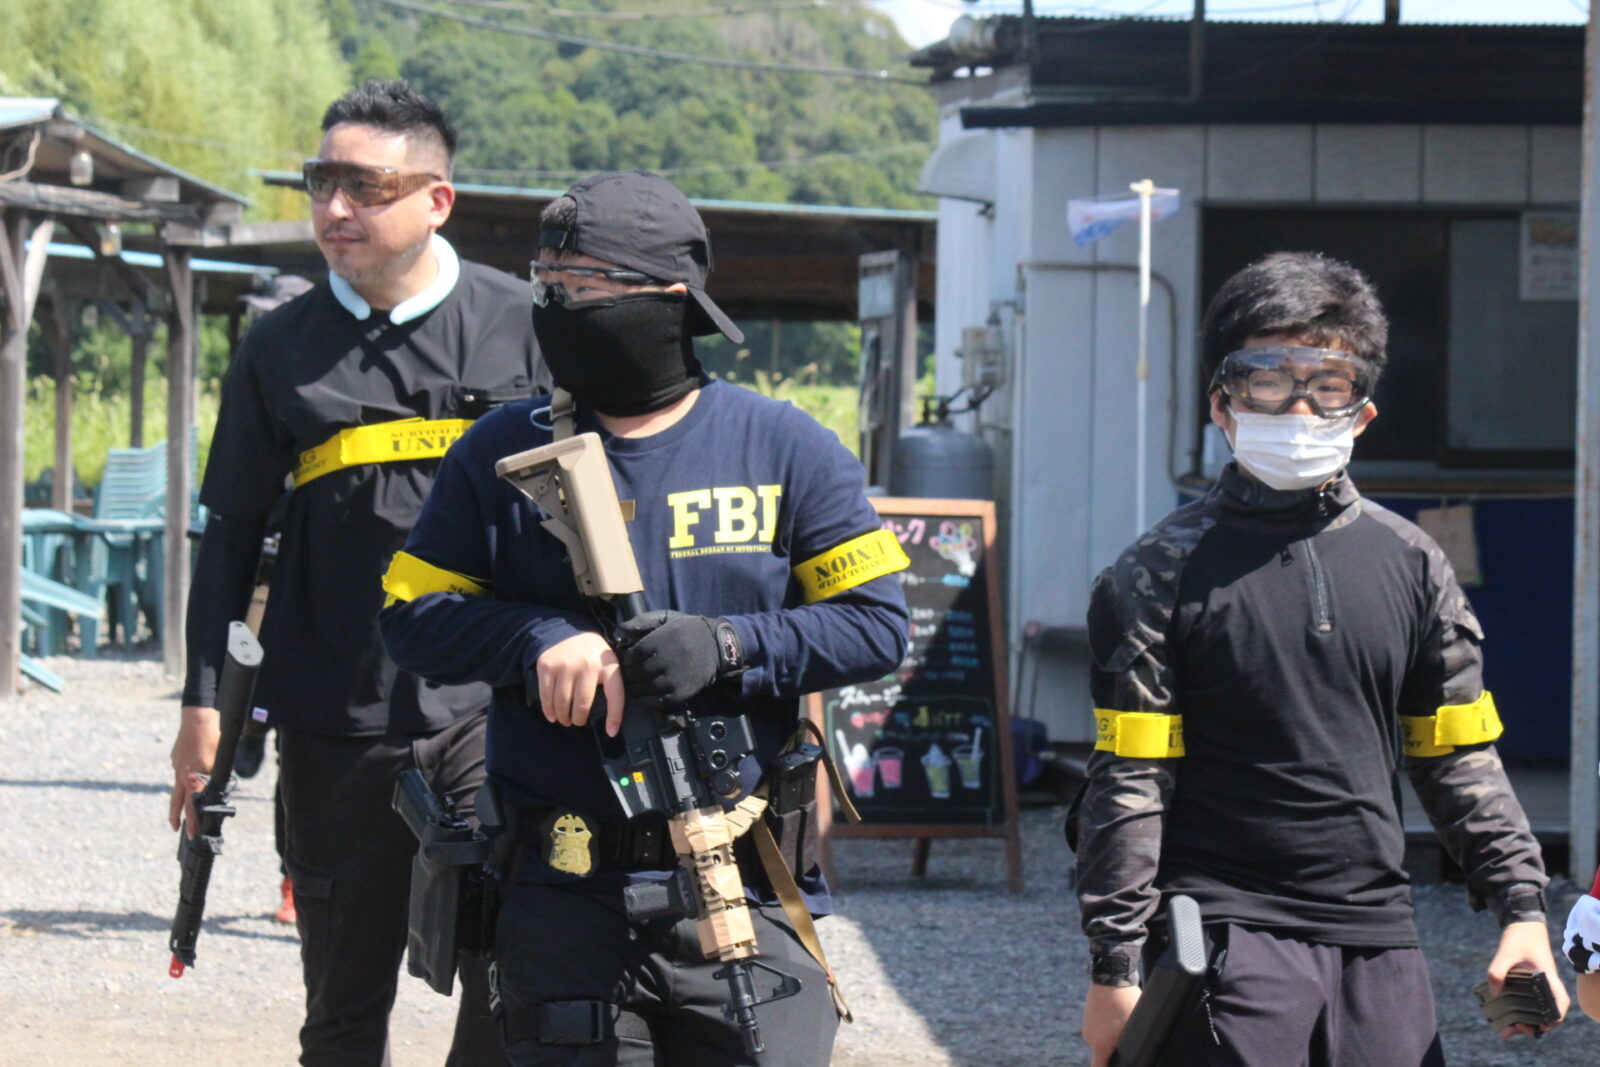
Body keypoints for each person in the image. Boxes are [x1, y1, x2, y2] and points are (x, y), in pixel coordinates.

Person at [377, 170, 910, 1065]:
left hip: (742, 888)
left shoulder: (785, 446)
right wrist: (535, 639)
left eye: (580, 285)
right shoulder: (500, 450)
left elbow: (876, 623)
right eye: (545, 282)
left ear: (667, 299)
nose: (553, 306)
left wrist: (728, 645)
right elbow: (409, 614)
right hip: (564, 896)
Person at [1074, 251, 1568, 1066]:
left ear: (1362, 411)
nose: (1299, 405)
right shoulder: (1155, 573)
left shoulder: (1414, 562)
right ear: (1222, 404)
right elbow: (1130, 776)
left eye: (1328, 383)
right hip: (1224, 936)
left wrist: (1522, 909)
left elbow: (1457, 755)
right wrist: (1115, 966)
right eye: (1269, 378)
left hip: (1382, 940)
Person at [167, 79, 542, 1066]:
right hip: (335, 716)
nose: (335, 208)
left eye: (365, 187)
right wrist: (201, 701)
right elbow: (230, 533)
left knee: (512, 980)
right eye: (321, 182)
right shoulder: (276, 348)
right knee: (341, 1003)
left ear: (437, 199)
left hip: (497, 706)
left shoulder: (527, 327)